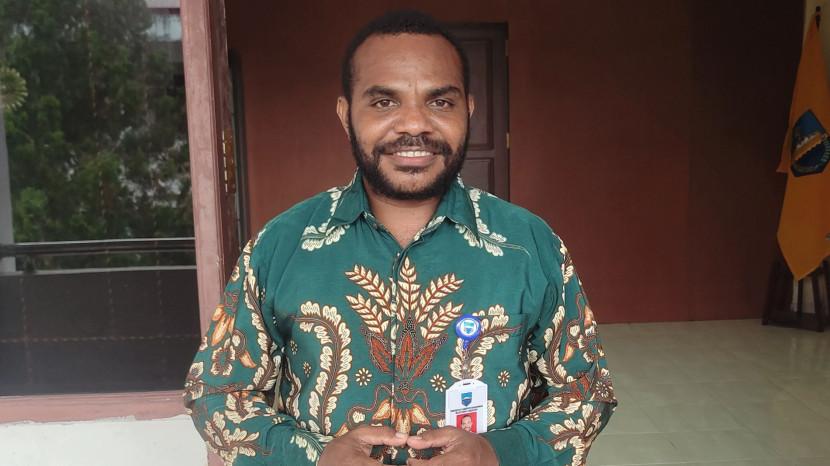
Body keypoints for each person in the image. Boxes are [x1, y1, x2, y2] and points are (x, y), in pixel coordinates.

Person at [184, 9, 616, 466]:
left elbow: (587, 392)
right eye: (384, 102)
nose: (413, 125)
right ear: (346, 115)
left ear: (468, 111)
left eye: (440, 102)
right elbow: (216, 392)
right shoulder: (284, 244)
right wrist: (313, 458)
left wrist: (498, 453)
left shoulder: (528, 244)